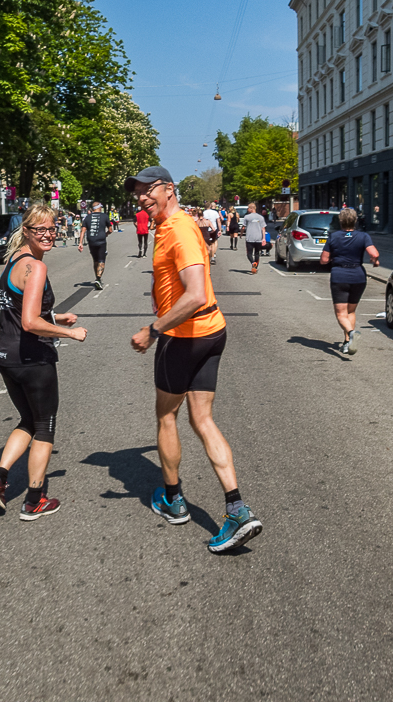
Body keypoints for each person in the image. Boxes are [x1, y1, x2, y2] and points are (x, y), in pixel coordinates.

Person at [127, 166, 263, 553]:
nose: (141, 198)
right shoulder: (171, 225)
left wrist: (152, 330)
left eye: (147, 191)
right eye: (136, 193)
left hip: (183, 337)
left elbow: (196, 294)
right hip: (211, 332)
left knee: (166, 416)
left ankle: (173, 499)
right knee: (201, 419)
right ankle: (237, 509)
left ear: (169, 189)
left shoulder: (180, 230)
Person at [0, 205, 87, 520]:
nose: (47, 235)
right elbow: (29, 322)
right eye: (39, 230)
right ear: (26, 231)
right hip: (31, 357)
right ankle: (34, 500)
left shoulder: (13, 261)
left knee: (27, 420)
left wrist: (54, 316)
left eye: (52, 229)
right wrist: (68, 332)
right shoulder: (36, 268)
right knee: (45, 426)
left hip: (4, 355)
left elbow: (17, 310)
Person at [319, 207, 380, 355]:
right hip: (358, 276)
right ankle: (347, 342)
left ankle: (351, 333)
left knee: (341, 314)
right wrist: (375, 261)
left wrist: (333, 257)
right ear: (355, 221)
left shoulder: (333, 237)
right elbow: (374, 253)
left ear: (340, 221)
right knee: (351, 311)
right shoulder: (363, 236)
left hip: (340, 276)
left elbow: (324, 260)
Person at [78, 201, 111, 290]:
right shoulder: (104, 216)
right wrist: (106, 233)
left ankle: (97, 278)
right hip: (101, 241)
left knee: (95, 260)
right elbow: (110, 229)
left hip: (91, 241)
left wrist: (80, 243)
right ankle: (98, 278)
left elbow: (83, 230)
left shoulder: (87, 217)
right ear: (99, 207)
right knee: (101, 260)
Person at [242, 202, 267, 274]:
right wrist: (263, 238)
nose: (247, 210)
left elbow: (243, 227)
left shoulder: (247, 217)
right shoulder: (261, 217)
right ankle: (255, 267)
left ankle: (253, 263)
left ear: (251, 209)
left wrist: (241, 233)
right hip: (258, 238)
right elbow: (263, 228)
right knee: (257, 253)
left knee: (249, 253)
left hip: (250, 238)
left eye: (248, 208)